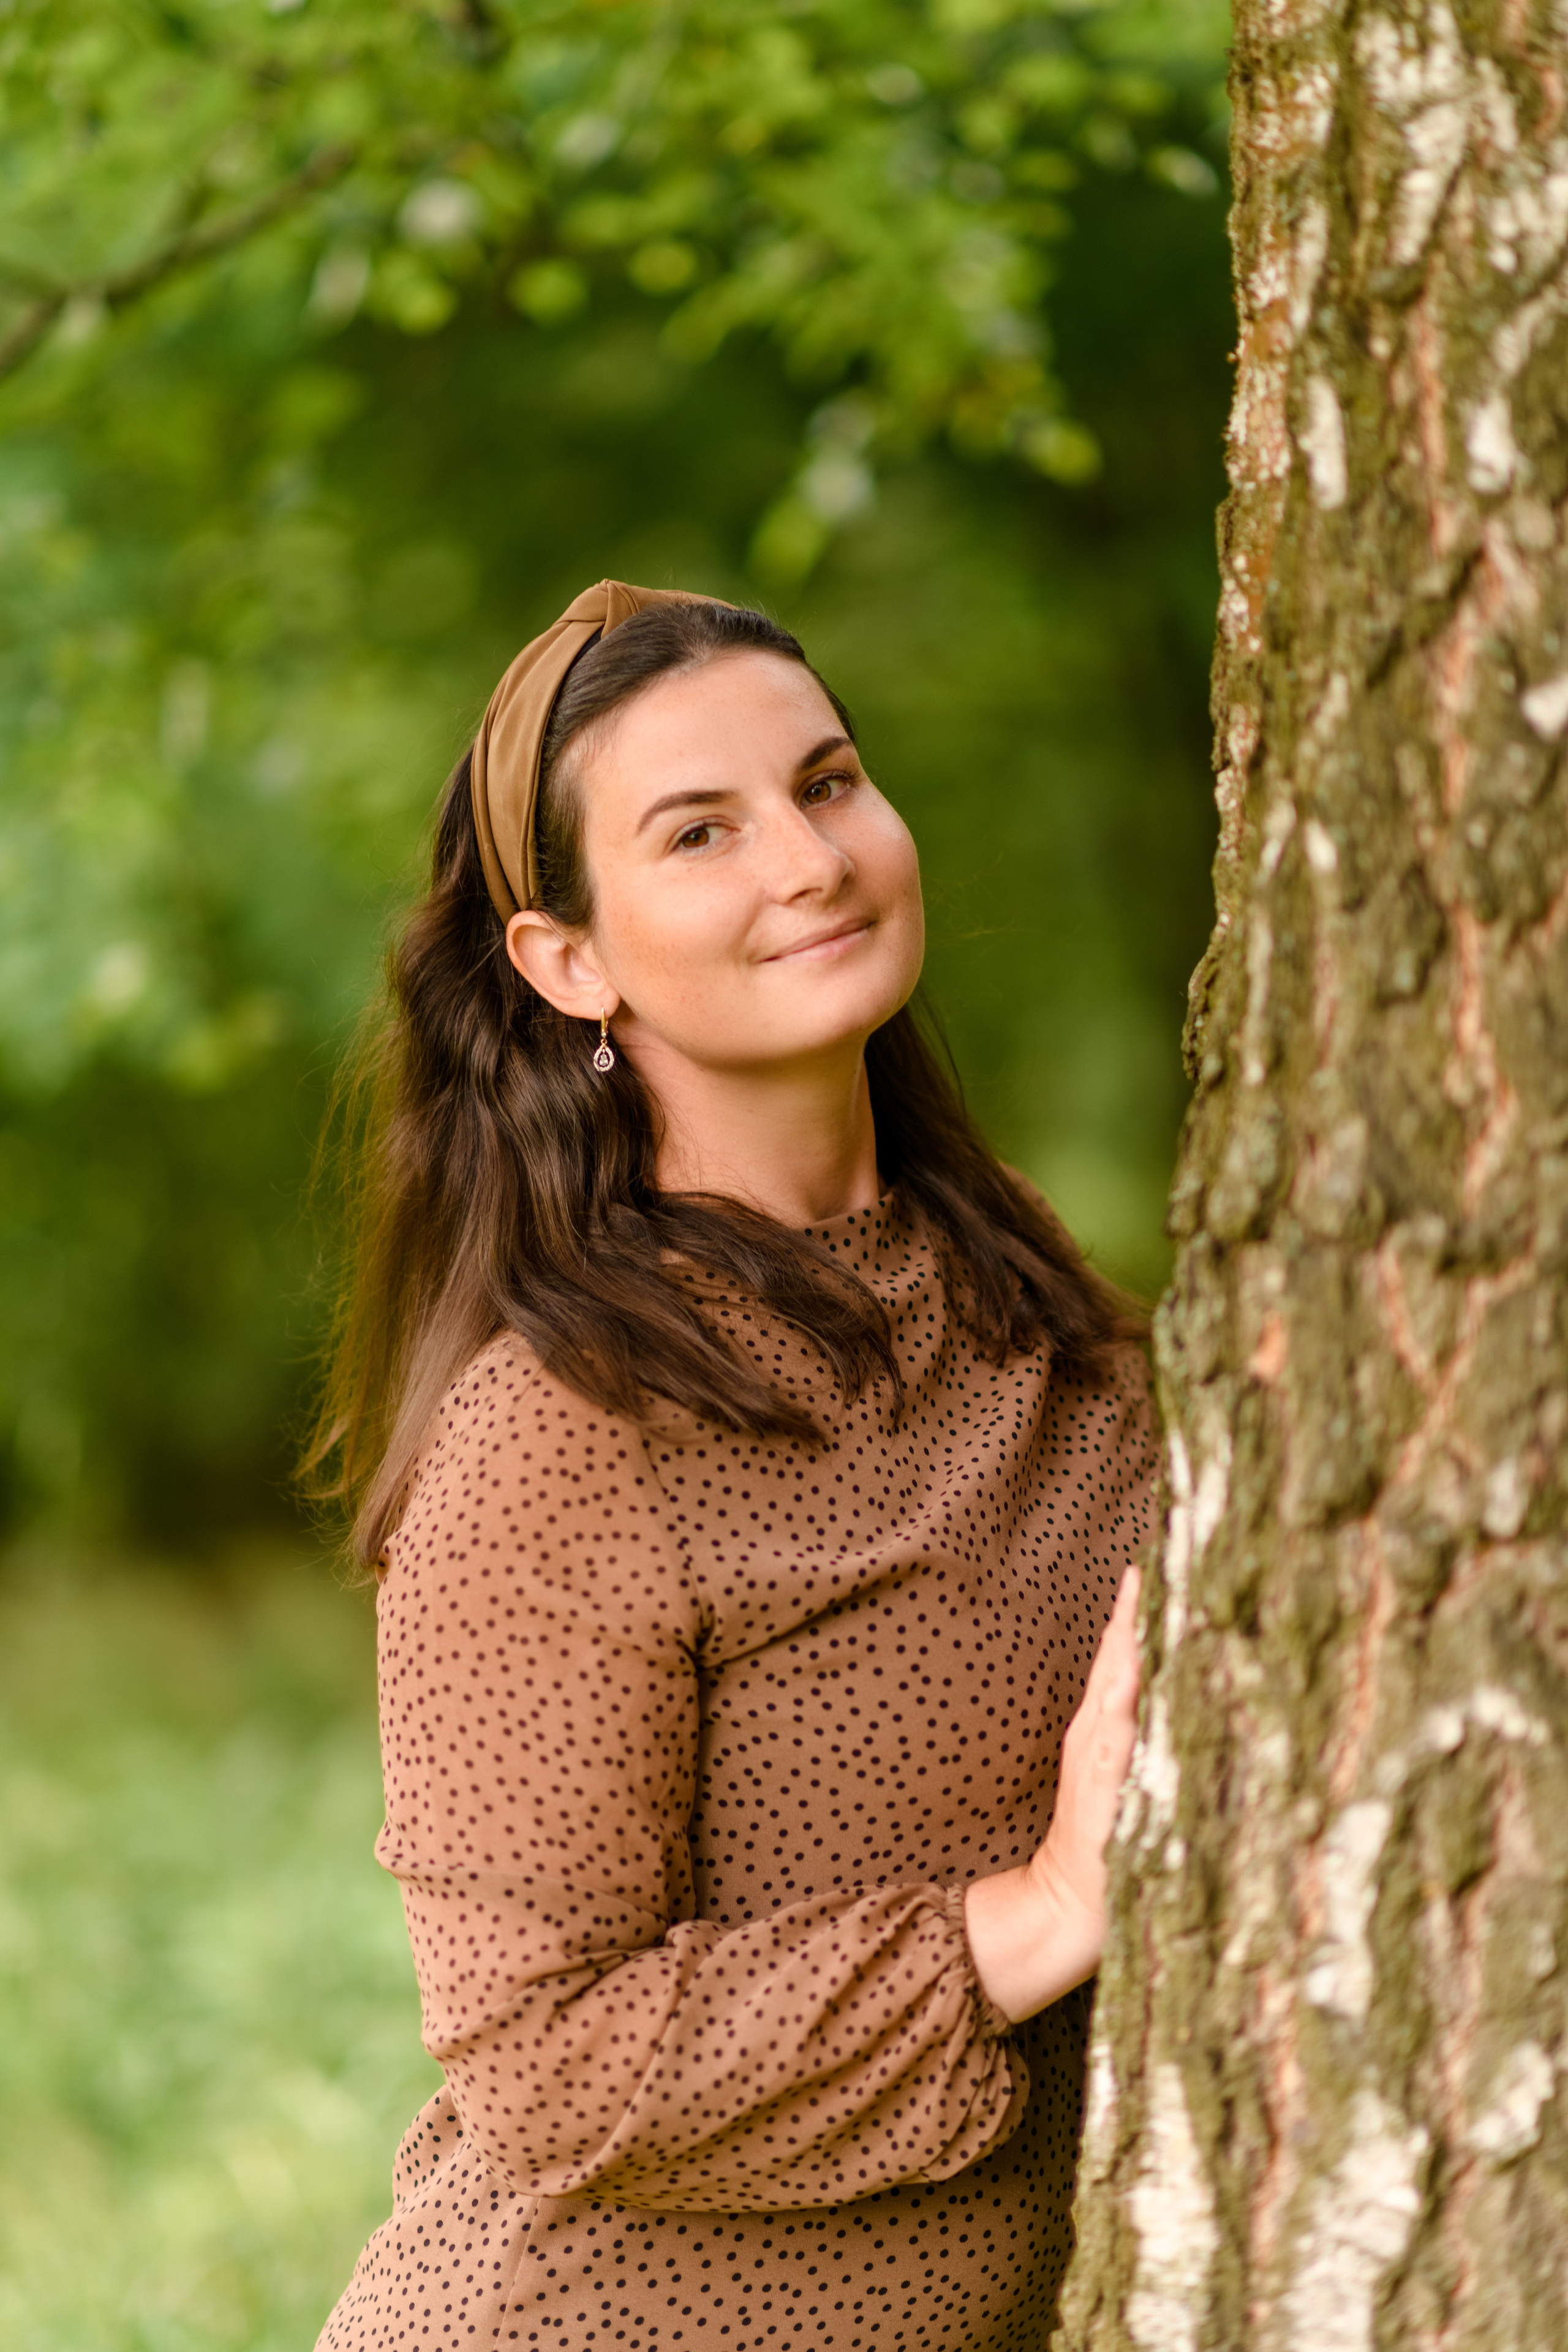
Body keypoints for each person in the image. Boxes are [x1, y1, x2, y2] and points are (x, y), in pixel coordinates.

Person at [309, 580, 1155, 2352]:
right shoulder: (568, 1429)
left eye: (827, 783)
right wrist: (1043, 1914)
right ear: (570, 961)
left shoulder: (1023, 1287)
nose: (812, 860)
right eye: (701, 832)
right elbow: (547, 2054)